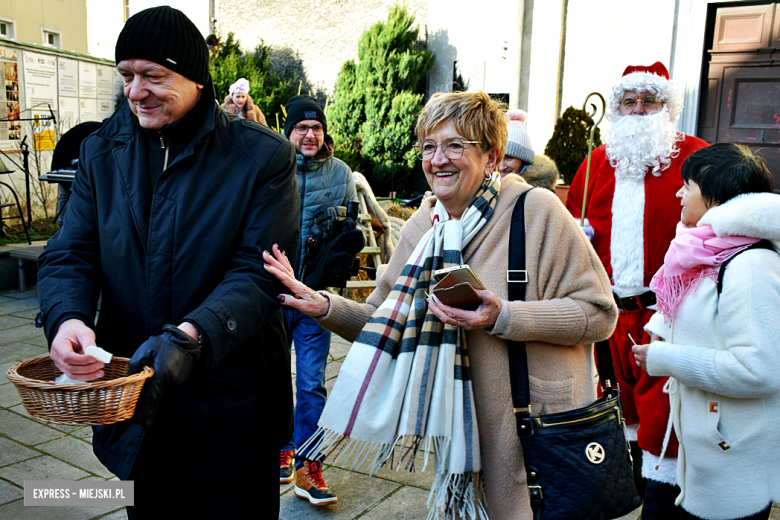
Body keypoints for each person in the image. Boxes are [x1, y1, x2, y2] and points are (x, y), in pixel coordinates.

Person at [264, 90, 618, 520]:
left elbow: (599, 314)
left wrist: (502, 316)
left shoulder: (536, 211)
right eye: (429, 146)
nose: (438, 159)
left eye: (455, 145)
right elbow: (381, 319)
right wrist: (322, 305)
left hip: (533, 430)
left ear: (492, 156)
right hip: (461, 433)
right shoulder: (426, 223)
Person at [35, 7, 299, 519]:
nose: (136, 91)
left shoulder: (262, 158)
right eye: (127, 75)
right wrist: (66, 318)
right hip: (136, 407)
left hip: (232, 406)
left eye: (155, 75)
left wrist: (190, 335)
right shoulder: (99, 153)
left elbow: (259, 272)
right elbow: (71, 252)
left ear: (197, 79)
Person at [565, 61, 708, 517]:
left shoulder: (696, 156)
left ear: (668, 106)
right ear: (618, 107)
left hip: (668, 311)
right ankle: (629, 486)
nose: (640, 109)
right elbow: (569, 221)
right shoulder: (594, 163)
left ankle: (664, 500)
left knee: (662, 415)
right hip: (608, 314)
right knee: (617, 406)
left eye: (650, 100)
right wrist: (577, 232)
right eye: (630, 101)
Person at [633, 143, 779, 520]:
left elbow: (758, 370)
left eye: (688, 185)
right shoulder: (709, 251)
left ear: (715, 196)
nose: (679, 193)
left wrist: (665, 358)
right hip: (701, 454)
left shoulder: (749, 264)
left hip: (732, 461)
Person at [278, 94, 358, 505]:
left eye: (316, 128)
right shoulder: (273, 167)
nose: (310, 135)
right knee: (272, 380)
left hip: (316, 298)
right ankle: (281, 448)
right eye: (302, 128)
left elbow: (353, 226)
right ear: (288, 131)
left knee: (311, 384)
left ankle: (310, 465)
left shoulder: (341, 172)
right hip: (272, 297)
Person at [49, 121, 102, 224]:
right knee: (71, 193)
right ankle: (67, 221)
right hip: (65, 164)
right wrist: (76, 161)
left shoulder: (93, 128)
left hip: (66, 162)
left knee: (65, 194)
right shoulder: (96, 131)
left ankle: (64, 221)